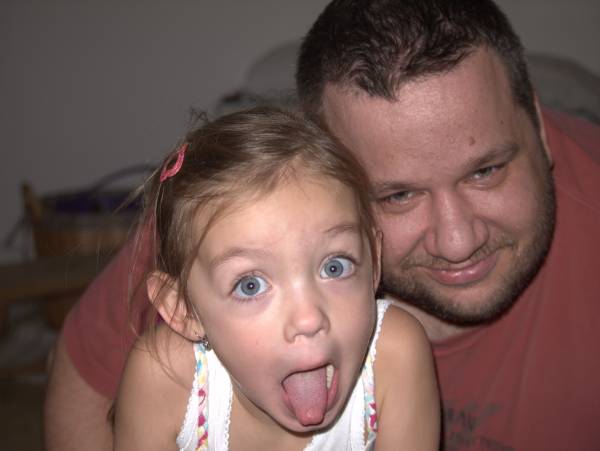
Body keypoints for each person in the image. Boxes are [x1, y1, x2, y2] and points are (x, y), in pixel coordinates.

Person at [45, 1, 600, 450]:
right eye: (398, 195)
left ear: (539, 127)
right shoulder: (233, 215)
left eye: (486, 171)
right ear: (328, 169)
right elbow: (84, 379)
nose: (458, 242)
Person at [111, 107, 439, 450]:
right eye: (250, 286)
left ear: (373, 260)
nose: (308, 318)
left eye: (335, 267)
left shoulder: (394, 357)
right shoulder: (165, 381)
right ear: (183, 309)